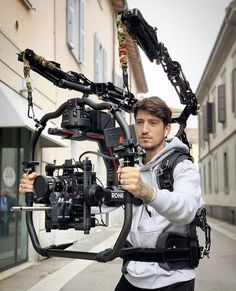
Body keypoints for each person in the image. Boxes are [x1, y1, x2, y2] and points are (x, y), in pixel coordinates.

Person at [19, 96, 203, 291]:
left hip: (173, 279)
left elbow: (187, 209)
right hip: (133, 277)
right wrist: (44, 191)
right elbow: (103, 201)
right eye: (140, 122)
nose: (145, 129)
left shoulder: (182, 165)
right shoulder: (131, 165)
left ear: (166, 128)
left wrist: (147, 192)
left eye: (153, 122)